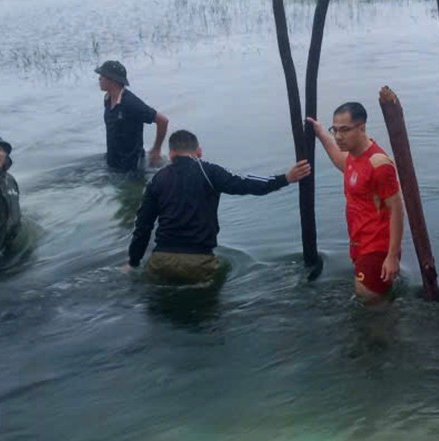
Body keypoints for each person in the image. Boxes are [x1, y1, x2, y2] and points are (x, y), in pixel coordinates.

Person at [127, 129, 309, 283]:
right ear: (199, 152)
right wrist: (285, 178)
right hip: (200, 263)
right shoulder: (210, 172)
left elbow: (142, 225)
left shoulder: (157, 179)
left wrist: (133, 262)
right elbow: (245, 183)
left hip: (161, 263)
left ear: (172, 154)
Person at [309, 102, 405, 303]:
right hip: (359, 243)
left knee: (370, 302)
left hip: (377, 247)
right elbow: (340, 160)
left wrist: (392, 256)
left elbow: (397, 209)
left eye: (344, 130)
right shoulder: (353, 156)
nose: (338, 136)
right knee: (368, 301)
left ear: (362, 128)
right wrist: (320, 134)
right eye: (334, 130)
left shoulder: (378, 164)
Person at [97, 60, 170, 172]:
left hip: (132, 166)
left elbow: (163, 121)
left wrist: (156, 149)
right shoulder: (108, 98)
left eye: (102, 76)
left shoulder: (131, 103)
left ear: (113, 80)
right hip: (113, 161)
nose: (99, 79)